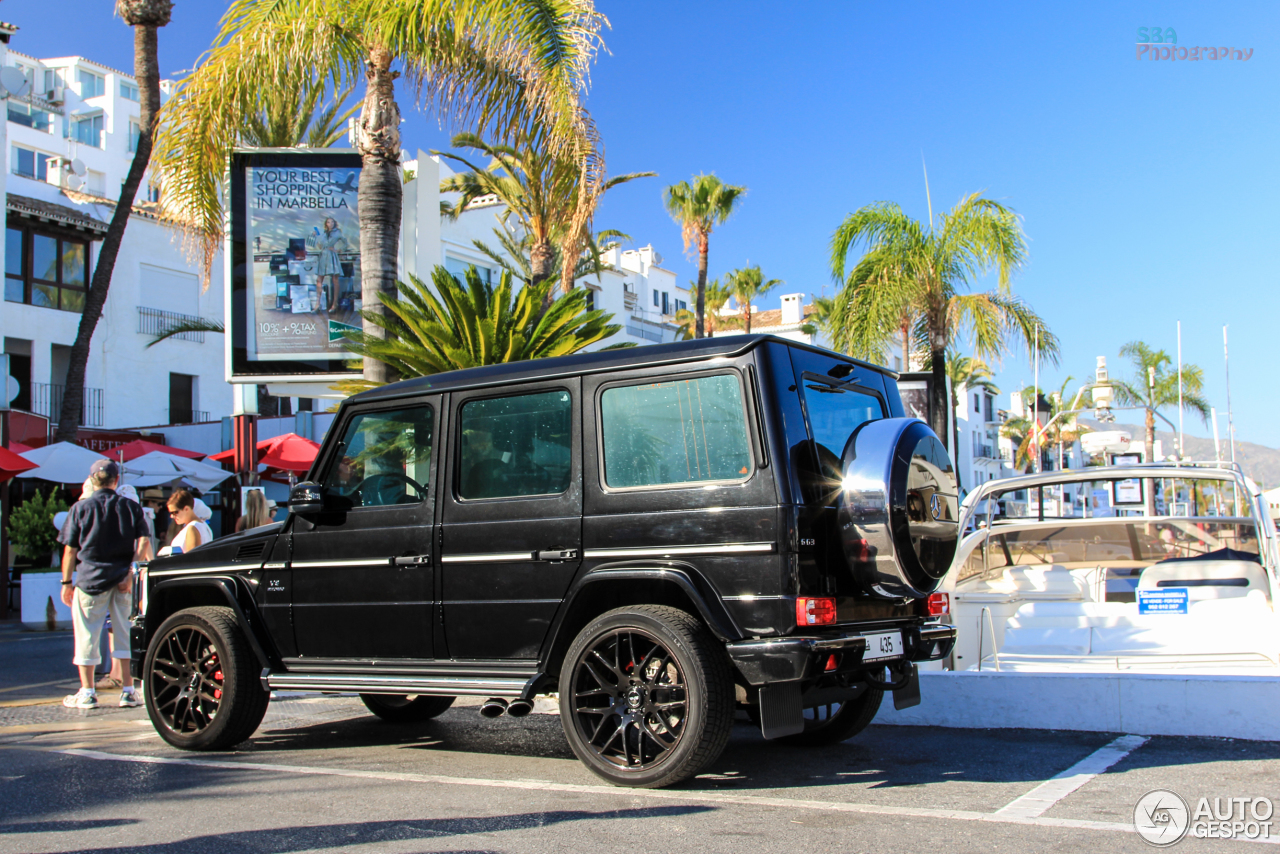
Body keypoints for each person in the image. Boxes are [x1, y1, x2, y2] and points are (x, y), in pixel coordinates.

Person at [58, 460, 153, 709]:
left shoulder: (80, 508)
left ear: (91, 480)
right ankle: (129, 691)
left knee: (87, 634)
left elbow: (70, 550)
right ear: (116, 480)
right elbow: (143, 543)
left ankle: (87, 692)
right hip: (122, 579)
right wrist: (130, 571)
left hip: (89, 578)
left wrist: (66, 582)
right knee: (124, 633)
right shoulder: (131, 507)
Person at [306, 216, 348, 312]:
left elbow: (345, 242)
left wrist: (339, 250)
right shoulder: (323, 233)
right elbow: (318, 245)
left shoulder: (338, 232)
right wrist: (314, 236)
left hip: (332, 256)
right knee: (319, 280)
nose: (331, 224)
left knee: (335, 280)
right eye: (329, 222)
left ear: (334, 223)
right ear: (326, 224)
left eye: (332, 222)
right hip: (323, 256)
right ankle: (317, 304)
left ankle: (335, 304)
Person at [166, 489, 212, 554]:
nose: (172, 516)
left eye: (175, 512)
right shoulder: (204, 525)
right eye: (171, 513)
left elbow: (192, 559)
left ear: (186, 509)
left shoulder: (192, 527)